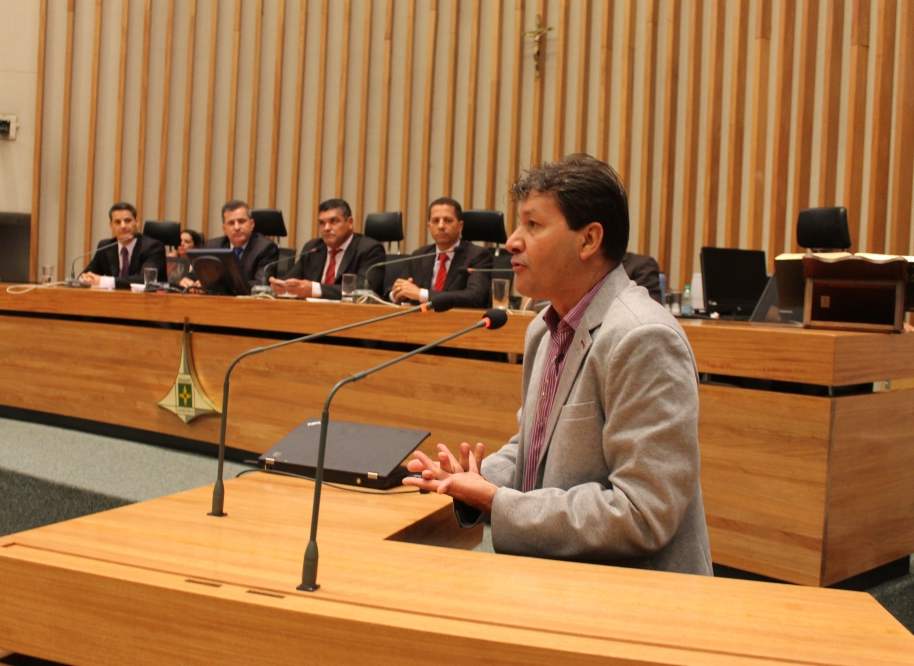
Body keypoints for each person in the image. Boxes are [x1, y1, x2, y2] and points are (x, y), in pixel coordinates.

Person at [403, 154, 712, 576]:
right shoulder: (544, 329)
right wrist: (469, 478)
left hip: (633, 592)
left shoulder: (642, 337)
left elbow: (643, 512)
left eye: (533, 225)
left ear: (588, 240)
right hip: (556, 574)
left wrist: (497, 501)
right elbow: (533, 451)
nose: (512, 242)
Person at [389, 197, 494, 309]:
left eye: (448, 220)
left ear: (460, 226)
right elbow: (395, 289)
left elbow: (475, 297)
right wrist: (397, 294)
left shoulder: (478, 255)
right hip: (420, 318)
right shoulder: (420, 255)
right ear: (429, 226)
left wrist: (421, 294)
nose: (441, 226)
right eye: (435, 221)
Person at [270, 198, 385, 300]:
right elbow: (291, 280)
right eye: (322, 223)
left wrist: (315, 289)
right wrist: (280, 286)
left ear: (350, 223)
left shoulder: (369, 249)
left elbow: (363, 291)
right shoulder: (313, 247)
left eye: (333, 221)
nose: (326, 228)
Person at [196, 200, 279, 290]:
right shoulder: (213, 246)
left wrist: (216, 286)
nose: (237, 227)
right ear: (224, 228)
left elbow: (261, 284)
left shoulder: (266, 248)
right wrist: (188, 280)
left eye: (241, 221)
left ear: (251, 224)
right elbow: (196, 274)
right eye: (231, 223)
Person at [80, 202, 166, 288]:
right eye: (117, 222)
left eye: (127, 221)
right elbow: (88, 274)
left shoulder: (153, 247)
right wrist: (85, 278)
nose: (123, 226)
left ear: (137, 222)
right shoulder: (105, 246)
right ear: (111, 226)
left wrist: (103, 281)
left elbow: (146, 280)